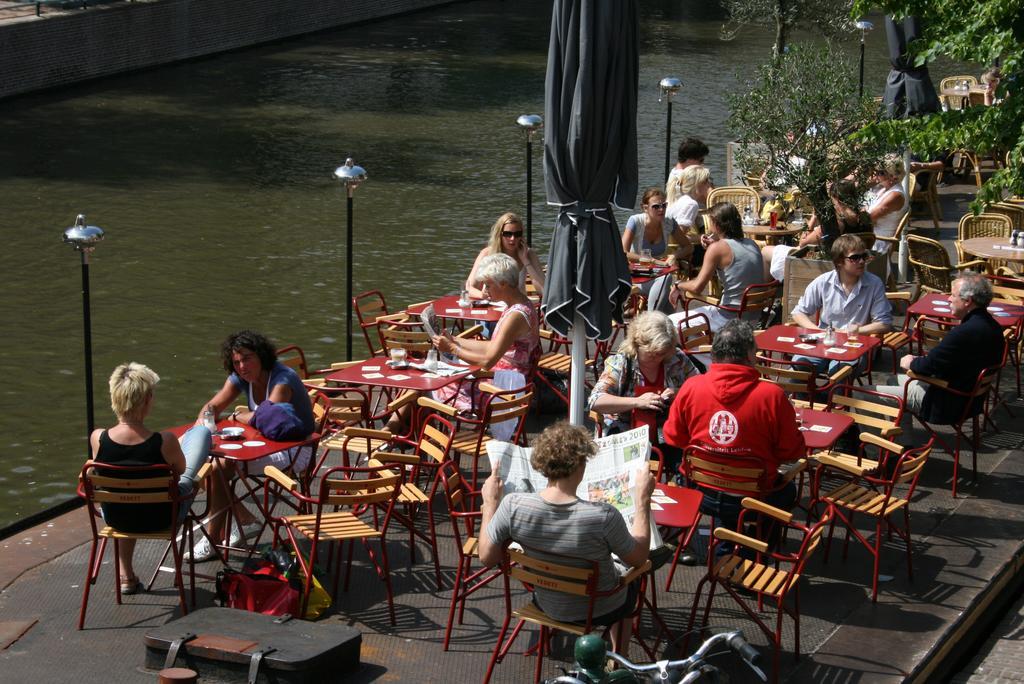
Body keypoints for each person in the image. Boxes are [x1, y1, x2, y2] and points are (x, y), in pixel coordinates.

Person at [479, 422, 655, 655]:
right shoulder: (603, 516)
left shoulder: (512, 506)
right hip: (600, 608)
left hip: (546, 603)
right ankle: (617, 659)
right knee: (633, 578)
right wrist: (642, 500)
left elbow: (486, 557)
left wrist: (490, 504)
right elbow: (639, 558)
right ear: (581, 465)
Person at [663, 320, 805, 548]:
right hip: (754, 497)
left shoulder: (691, 387)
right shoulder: (772, 395)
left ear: (715, 354)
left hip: (700, 491)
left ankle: (728, 544)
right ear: (750, 355)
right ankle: (757, 550)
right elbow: (792, 451)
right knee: (788, 491)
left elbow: (673, 438)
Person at [192, 330, 316, 561]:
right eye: (236, 361)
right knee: (204, 467)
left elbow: (266, 419)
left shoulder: (282, 379)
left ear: (261, 356)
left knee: (217, 469)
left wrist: (238, 417)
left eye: (247, 358)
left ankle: (212, 540)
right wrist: (203, 424)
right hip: (263, 444)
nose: (242, 366)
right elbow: (213, 406)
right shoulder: (241, 377)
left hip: (296, 449)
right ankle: (245, 520)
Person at [89, 363, 210, 593]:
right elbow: (183, 469)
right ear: (145, 400)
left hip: (117, 518)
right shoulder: (164, 441)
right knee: (201, 435)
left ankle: (126, 576)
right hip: (162, 518)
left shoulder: (98, 438)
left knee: (125, 493)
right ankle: (193, 436)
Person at [432, 253, 540, 437]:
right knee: (429, 385)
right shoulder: (519, 305)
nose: (484, 289)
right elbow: (492, 346)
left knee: (432, 385)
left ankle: (412, 444)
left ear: (503, 284)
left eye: (488, 285)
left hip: (503, 389)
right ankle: (398, 435)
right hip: (509, 380)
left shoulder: (516, 315)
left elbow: (489, 360)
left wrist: (452, 349)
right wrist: (455, 340)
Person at [874, 273, 1005, 423]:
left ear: (968, 301)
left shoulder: (963, 333)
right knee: (893, 380)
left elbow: (927, 367)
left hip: (945, 402)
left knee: (861, 394)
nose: (949, 299)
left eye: (953, 295)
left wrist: (910, 362)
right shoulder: (993, 327)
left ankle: (873, 446)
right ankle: (904, 440)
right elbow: (945, 361)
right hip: (971, 399)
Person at [588, 311, 701, 473]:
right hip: (627, 434)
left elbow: (700, 387)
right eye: (652, 353)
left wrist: (678, 392)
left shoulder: (676, 359)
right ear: (638, 343)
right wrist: (638, 401)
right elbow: (595, 400)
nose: (657, 358)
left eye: (662, 354)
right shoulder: (622, 362)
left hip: (665, 433)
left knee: (686, 466)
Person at [790, 234, 892, 374]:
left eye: (864, 256)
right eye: (855, 258)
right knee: (799, 365)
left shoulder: (874, 284)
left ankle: (832, 396)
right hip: (824, 341)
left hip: (854, 345)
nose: (862, 261)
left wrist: (858, 331)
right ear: (839, 262)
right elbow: (798, 312)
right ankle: (802, 396)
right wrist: (816, 330)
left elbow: (884, 323)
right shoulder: (823, 282)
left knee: (839, 372)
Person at [669, 202, 764, 332]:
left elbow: (697, 287)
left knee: (669, 324)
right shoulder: (752, 244)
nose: (709, 229)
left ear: (717, 225)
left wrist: (678, 285)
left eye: (711, 223)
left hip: (729, 318)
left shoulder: (717, 249)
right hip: (752, 318)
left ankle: (703, 352)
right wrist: (715, 247)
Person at [621, 188, 693, 313]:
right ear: (645, 208)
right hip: (636, 274)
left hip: (658, 274)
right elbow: (623, 252)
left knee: (665, 285)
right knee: (667, 280)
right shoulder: (635, 221)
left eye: (664, 205)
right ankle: (652, 321)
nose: (661, 210)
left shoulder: (669, 222)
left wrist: (675, 255)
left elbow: (688, 246)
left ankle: (653, 323)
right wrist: (652, 260)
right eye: (656, 207)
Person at [465, 212, 545, 299]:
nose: (512, 238)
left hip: (517, 306)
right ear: (499, 234)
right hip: (492, 305)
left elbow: (543, 289)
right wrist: (482, 295)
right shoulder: (487, 253)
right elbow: (468, 288)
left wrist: (525, 261)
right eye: (508, 234)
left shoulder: (529, 254)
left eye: (517, 234)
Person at [865, 155, 908, 255]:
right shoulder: (884, 189)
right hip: (869, 235)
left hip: (876, 242)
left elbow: (867, 220)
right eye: (875, 171)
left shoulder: (895, 196)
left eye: (880, 172)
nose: (875, 174)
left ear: (893, 176)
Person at [665, 164, 712, 246]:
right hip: (675, 251)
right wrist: (701, 237)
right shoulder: (691, 204)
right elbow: (677, 238)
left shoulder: (677, 198)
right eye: (706, 181)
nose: (709, 184)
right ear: (697, 185)